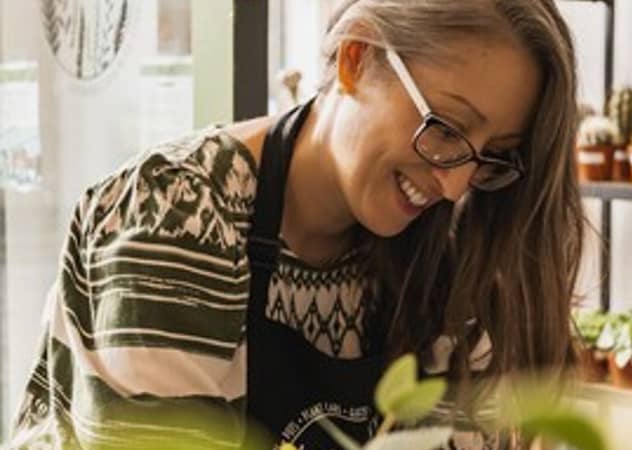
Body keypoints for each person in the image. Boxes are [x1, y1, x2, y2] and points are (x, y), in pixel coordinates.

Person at [8, 0, 583, 448]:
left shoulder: (449, 252)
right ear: (357, 59)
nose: (456, 184)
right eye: (447, 127)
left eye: (494, 156)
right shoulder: (179, 219)